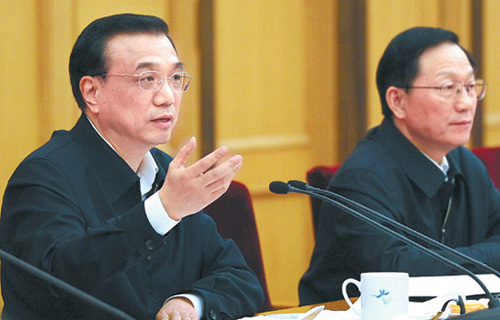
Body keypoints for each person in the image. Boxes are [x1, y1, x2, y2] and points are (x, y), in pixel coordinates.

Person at [0, 13, 264, 320]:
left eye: (175, 79)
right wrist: (160, 213)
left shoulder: (166, 173)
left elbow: (241, 279)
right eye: (147, 79)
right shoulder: (43, 177)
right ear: (92, 93)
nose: (167, 97)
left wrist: (191, 302)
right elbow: (59, 280)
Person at [299, 26, 500, 305]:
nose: (466, 103)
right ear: (397, 101)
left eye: (469, 87)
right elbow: (399, 270)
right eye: (448, 88)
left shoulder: (466, 164)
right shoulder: (362, 178)